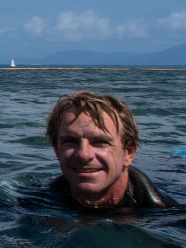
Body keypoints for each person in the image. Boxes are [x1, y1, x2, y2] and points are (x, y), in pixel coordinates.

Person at [43, 90, 176, 210]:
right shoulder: (41, 202)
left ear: (128, 152)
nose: (83, 154)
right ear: (57, 151)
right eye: (70, 142)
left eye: (100, 142)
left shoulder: (169, 214)